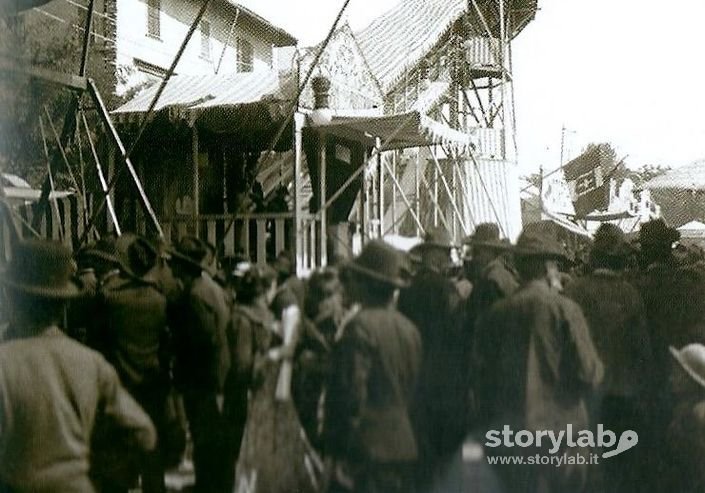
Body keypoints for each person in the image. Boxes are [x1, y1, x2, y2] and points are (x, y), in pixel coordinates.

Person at [0, 239, 156, 492]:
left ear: (14, 298)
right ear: (63, 302)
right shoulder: (90, 362)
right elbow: (144, 432)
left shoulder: (5, 363)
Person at [475, 226, 603, 493]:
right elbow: (589, 372)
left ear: (520, 266)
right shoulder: (566, 310)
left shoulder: (496, 313)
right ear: (548, 267)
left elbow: (481, 380)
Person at [325, 240, 422, 493]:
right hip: (404, 444)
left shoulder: (359, 327)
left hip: (366, 451)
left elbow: (351, 395)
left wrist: (338, 448)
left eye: (355, 279)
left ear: (368, 284)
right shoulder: (409, 329)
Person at [563, 224, 651, 493]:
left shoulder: (574, 292)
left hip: (583, 395)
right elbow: (642, 351)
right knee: (619, 469)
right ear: (620, 259)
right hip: (622, 394)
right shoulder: (630, 295)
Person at [90, 234, 171, 493]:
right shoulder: (159, 300)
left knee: (116, 463)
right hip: (152, 386)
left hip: (120, 387)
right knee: (151, 457)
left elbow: (97, 342)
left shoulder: (109, 298)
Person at [230, 265, 320, 493]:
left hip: (264, 396)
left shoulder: (251, 318)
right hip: (263, 396)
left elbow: (243, 366)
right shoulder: (257, 319)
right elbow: (244, 367)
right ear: (263, 292)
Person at [397, 227, 466, 492]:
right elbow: (457, 332)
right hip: (443, 377)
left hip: (414, 375)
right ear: (437, 256)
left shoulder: (407, 289)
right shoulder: (447, 291)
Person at [168, 236, 231, 493]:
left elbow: (204, 341)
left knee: (205, 434)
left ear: (183, 266)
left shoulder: (194, 295)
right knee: (210, 434)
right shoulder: (211, 288)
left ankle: (208, 485)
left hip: (204, 377)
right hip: (215, 373)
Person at [665, 344, 705, 492]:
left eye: (677, 374)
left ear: (691, 379)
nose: (671, 378)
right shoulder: (687, 409)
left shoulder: (696, 415)